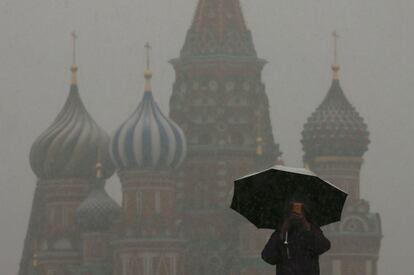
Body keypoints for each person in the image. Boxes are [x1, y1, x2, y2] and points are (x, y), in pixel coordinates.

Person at [261, 201, 331, 275]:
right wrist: (283, 232)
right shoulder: (280, 233)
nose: (295, 216)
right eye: (291, 214)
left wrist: (306, 226)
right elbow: (268, 257)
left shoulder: (311, 231)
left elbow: (324, 246)